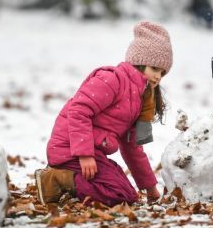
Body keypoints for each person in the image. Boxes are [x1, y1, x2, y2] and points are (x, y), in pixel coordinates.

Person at [35, 21, 173, 206]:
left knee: (128, 195)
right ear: (139, 63)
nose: (158, 77)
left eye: (162, 73)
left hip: (93, 152)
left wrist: (150, 188)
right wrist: (84, 155)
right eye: (154, 69)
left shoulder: (143, 100)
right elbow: (78, 111)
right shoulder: (112, 79)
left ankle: (67, 178)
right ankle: (55, 178)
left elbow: (133, 146)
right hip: (70, 148)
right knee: (119, 196)